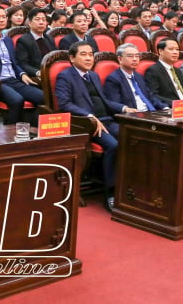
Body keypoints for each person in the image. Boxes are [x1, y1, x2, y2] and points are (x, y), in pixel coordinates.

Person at [55, 42, 132, 211]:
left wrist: (124, 108)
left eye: (91, 54)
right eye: (83, 54)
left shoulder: (93, 76)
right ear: (72, 58)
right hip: (87, 124)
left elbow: (105, 101)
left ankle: (127, 186)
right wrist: (89, 116)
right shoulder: (65, 76)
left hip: (107, 119)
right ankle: (110, 193)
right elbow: (64, 104)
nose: (89, 58)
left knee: (133, 138)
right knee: (113, 145)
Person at [103, 43, 167, 112]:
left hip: (151, 113)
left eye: (137, 56)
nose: (135, 59)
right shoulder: (113, 79)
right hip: (134, 116)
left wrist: (164, 108)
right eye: (130, 56)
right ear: (120, 59)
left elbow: (150, 96)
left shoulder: (138, 76)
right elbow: (114, 104)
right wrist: (126, 109)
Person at [144, 39, 183, 108]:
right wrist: (176, 104)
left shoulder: (177, 71)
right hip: (172, 109)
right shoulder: (153, 70)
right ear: (160, 51)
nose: (175, 52)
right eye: (171, 49)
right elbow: (154, 95)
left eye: (177, 49)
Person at [15, 8, 55, 78]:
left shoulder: (49, 38)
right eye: (37, 19)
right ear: (30, 23)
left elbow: (55, 57)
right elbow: (23, 64)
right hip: (35, 76)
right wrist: (37, 72)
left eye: (43, 19)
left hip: (52, 73)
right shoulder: (23, 41)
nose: (41, 22)